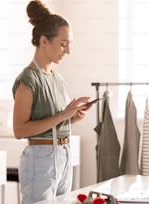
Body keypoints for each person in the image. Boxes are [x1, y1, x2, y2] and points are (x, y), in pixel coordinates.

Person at [12, 0, 93, 203]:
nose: (67, 51)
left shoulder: (57, 78)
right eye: (63, 44)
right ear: (44, 41)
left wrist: (72, 118)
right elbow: (20, 130)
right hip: (40, 160)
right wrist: (64, 115)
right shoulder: (28, 79)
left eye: (69, 45)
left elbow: (52, 122)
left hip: (64, 155)